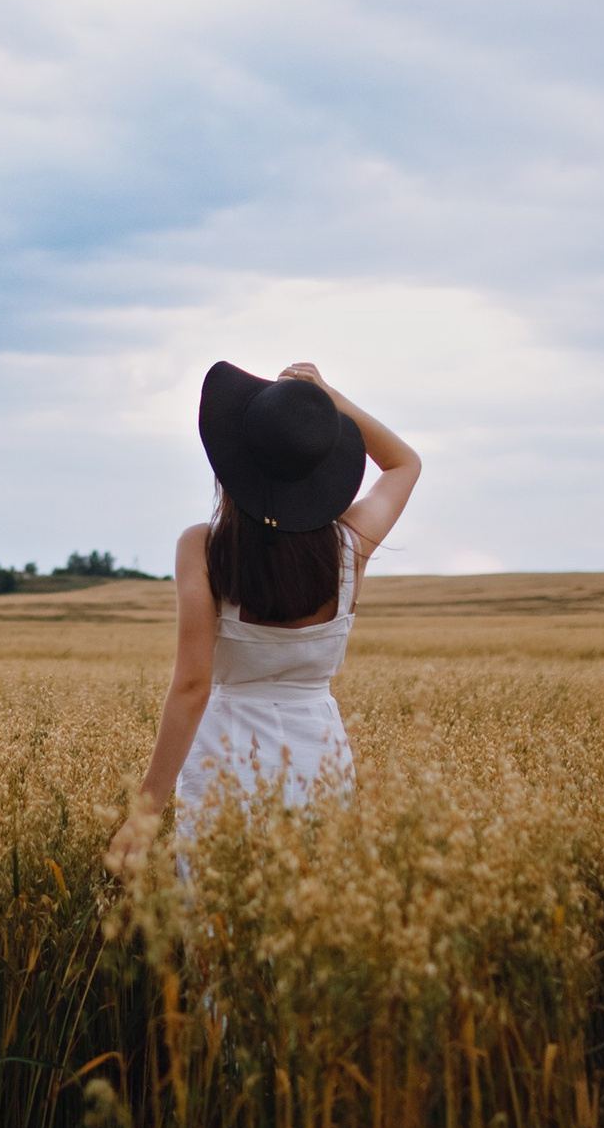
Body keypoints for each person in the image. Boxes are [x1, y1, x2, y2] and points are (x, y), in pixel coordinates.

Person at [104, 361, 421, 873]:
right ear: (319, 470)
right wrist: (326, 400)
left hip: (223, 759)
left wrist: (144, 816)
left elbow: (191, 687)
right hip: (321, 762)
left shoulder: (203, 549)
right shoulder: (350, 546)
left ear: (234, 465)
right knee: (306, 926)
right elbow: (404, 463)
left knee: (216, 929)